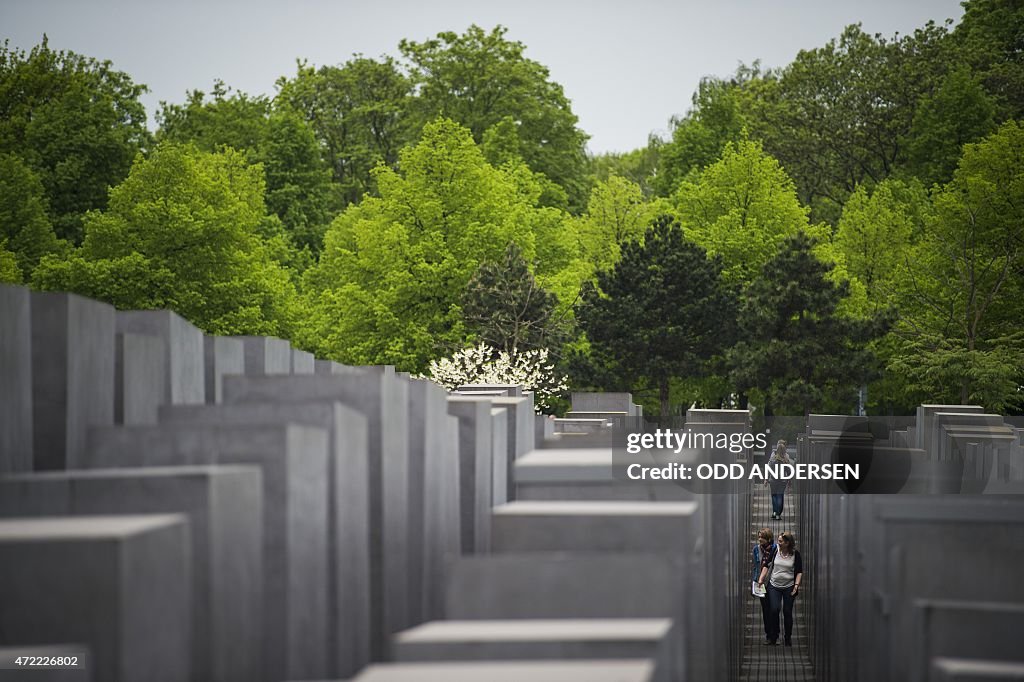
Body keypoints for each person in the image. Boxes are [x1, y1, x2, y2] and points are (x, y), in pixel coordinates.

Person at [757, 530, 803, 646]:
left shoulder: (795, 554)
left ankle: (787, 637)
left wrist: (796, 586)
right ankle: (774, 636)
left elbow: (799, 572)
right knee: (774, 609)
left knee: (787, 611)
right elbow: (767, 565)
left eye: (781, 541)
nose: (778, 542)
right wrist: (761, 579)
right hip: (774, 585)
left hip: (789, 586)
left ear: (788, 543)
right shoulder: (775, 550)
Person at [752, 527, 777, 645]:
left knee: (774, 609)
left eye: (762, 537)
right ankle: (769, 635)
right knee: (765, 610)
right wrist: (754, 582)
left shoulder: (775, 549)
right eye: (759, 537)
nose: (759, 539)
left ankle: (775, 635)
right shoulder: (756, 549)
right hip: (760, 583)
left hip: (772, 582)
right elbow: (756, 566)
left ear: (768, 538)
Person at [765, 439, 792, 519]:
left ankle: (774, 512)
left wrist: (766, 479)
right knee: (780, 496)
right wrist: (789, 481)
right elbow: (789, 472)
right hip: (782, 481)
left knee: (774, 496)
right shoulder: (786, 460)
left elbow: (768, 469)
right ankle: (778, 514)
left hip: (773, 480)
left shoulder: (772, 459)